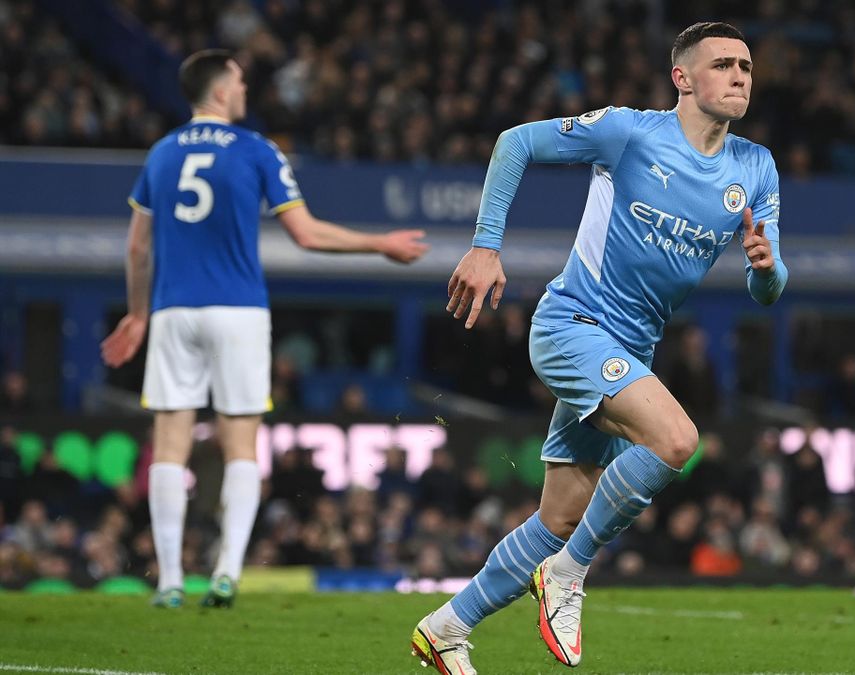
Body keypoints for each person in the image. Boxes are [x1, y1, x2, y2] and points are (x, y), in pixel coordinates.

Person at [410, 22, 787, 674]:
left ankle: (446, 627)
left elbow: (769, 290)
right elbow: (515, 142)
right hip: (572, 325)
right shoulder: (630, 132)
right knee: (675, 440)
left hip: (632, 350)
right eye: (723, 64)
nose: (739, 76)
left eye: (746, 67)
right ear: (682, 78)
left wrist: (765, 265)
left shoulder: (755, 167)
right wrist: (485, 245)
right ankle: (569, 573)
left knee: (558, 518)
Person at [100, 49, 428, 610]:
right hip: (238, 311)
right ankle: (227, 572)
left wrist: (137, 313)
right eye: (240, 82)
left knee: (171, 444)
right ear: (221, 91)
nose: (245, 90)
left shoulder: (161, 153)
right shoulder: (256, 149)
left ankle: (170, 580)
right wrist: (379, 243)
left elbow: (136, 247)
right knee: (241, 444)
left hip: (174, 310)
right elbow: (305, 234)